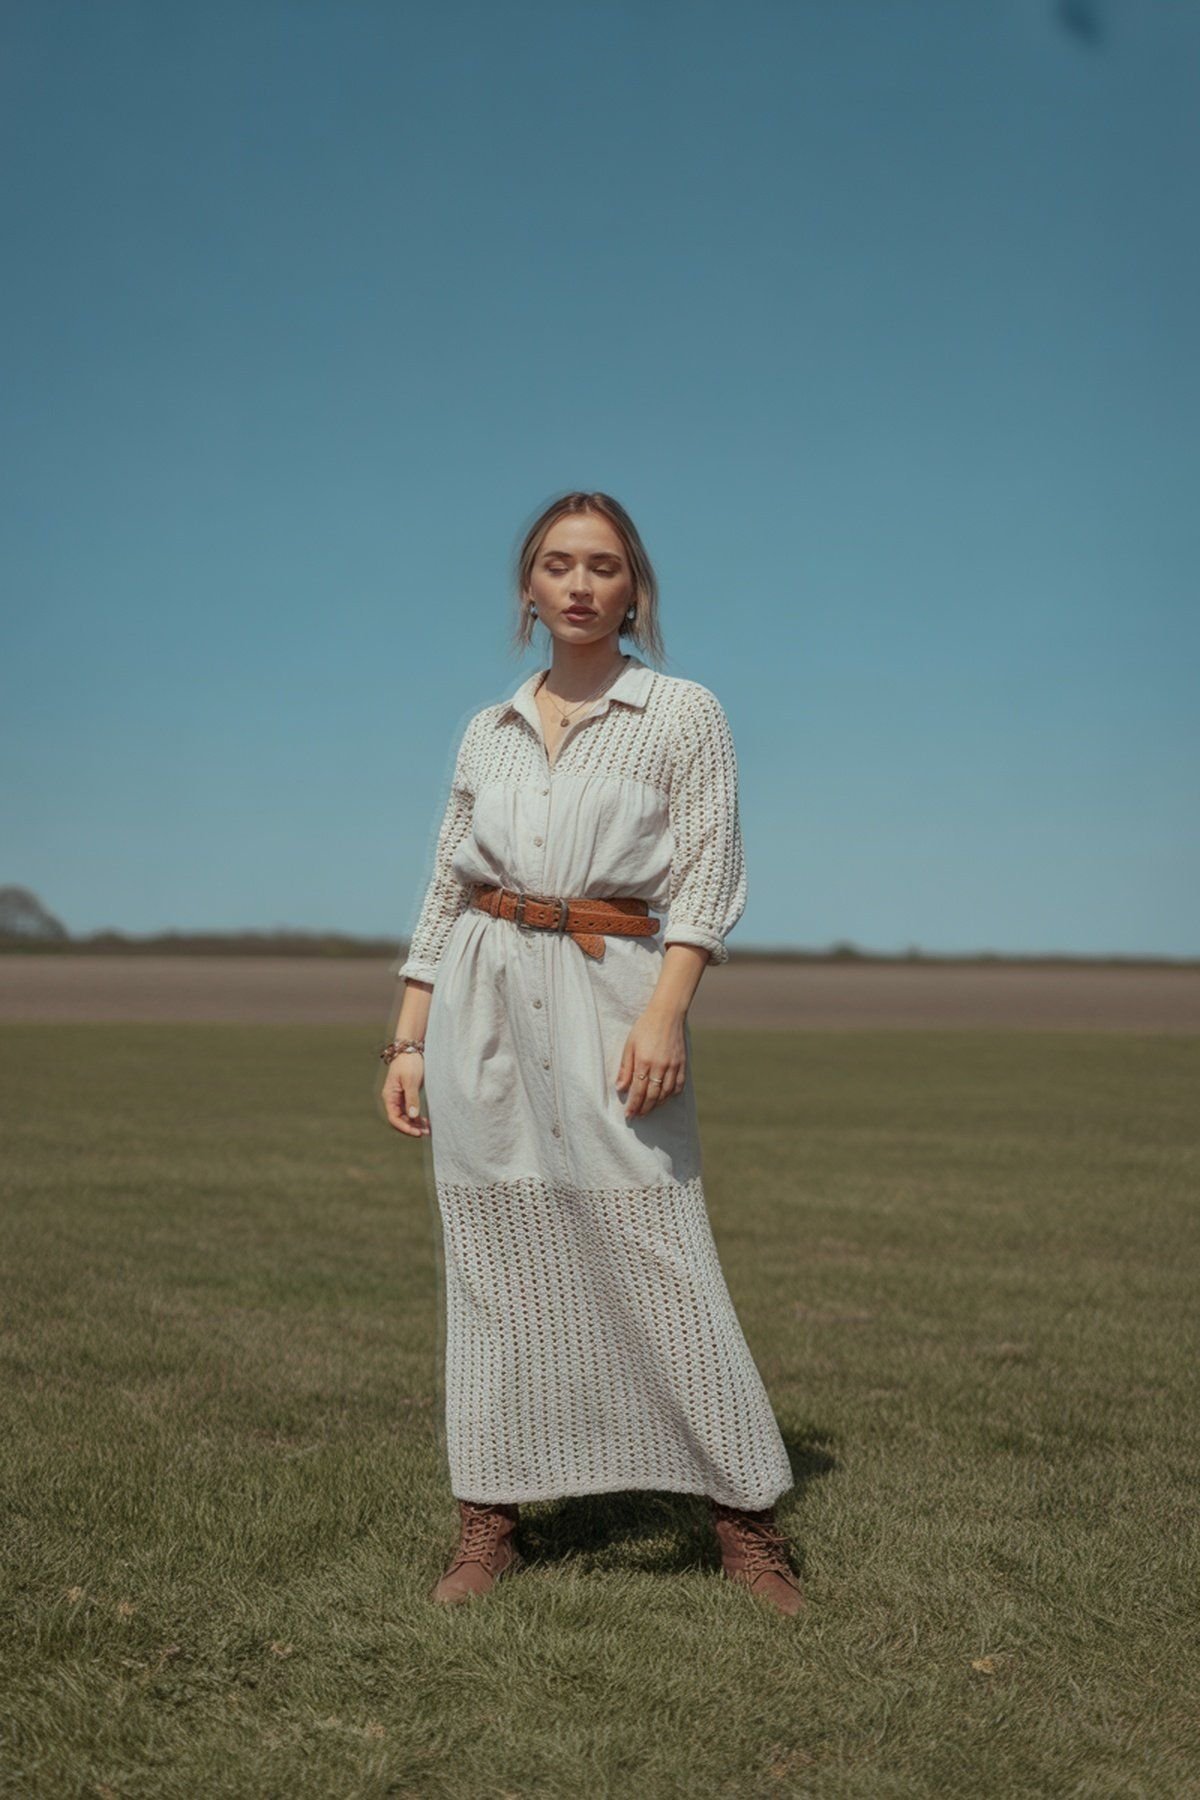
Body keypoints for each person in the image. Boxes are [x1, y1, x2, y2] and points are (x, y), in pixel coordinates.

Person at [380, 492, 803, 1616]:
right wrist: (408, 1035)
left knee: (657, 1239)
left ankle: (746, 1523)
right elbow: (444, 886)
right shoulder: (490, 727)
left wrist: (664, 1014)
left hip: (615, 991)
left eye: (603, 566)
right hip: (480, 999)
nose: (579, 584)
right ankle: (491, 1523)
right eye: (557, 565)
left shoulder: (681, 712)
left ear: (634, 590)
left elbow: (708, 875)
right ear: (528, 589)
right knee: (494, 1255)